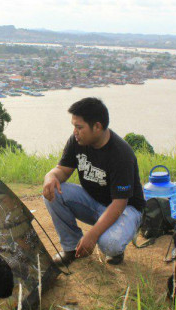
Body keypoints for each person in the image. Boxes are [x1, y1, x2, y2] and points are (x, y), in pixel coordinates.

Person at [43, 97, 145, 266]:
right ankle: (71, 248)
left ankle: (119, 244)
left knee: (109, 244)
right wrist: (50, 177)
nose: (75, 131)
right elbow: (62, 170)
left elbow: (119, 204)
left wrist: (92, 234)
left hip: (125, 208)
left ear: (97, 126)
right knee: (53, 192)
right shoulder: (77, 141)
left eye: (79, 127)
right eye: (74, 126)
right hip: (94, 202)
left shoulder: (121, 154)